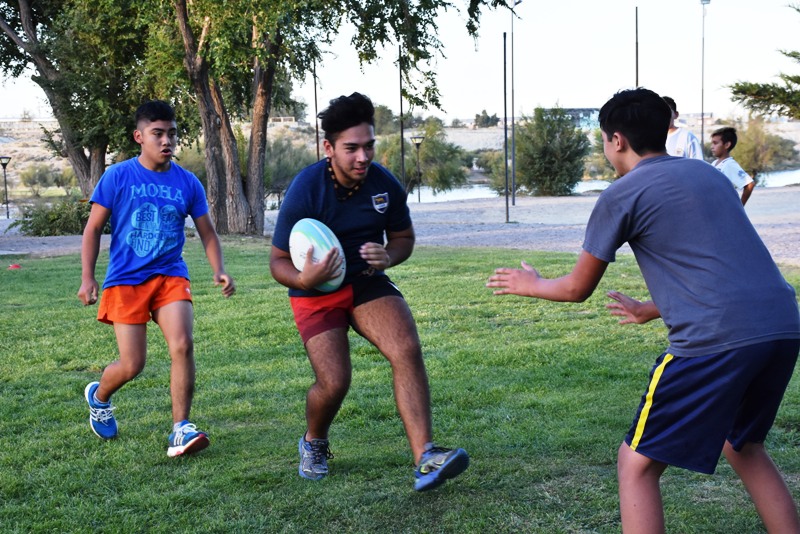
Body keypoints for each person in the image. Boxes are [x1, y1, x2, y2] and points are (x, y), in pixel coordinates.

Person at [487, 88, 800, 533]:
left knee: (636, 464)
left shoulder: (621, 194)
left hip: (714, 341)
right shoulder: (707, 175)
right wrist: (651, 309)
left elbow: (577, 288)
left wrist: (530, 284)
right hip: (782, 325)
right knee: (744, 445)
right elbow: (725, 266)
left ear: (615, 140)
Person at [269, 92, 468, 491]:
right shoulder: (307, 187)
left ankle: (425, 458)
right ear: (329, 148)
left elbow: (403, 237)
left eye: (369, 145)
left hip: (365, 280)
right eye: (351, 148)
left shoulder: (383, 183)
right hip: (315, 291)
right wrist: (305, 280)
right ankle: (314, 441)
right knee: (335, 381)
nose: (363, 157)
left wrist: (388, 256)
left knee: (406, 349)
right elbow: (276, 263)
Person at [78, 100, 235, 457]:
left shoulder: (187, 182)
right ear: (139, 137)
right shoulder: (118, 176)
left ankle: (180, 428)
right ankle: (99, 395)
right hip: (125, 279)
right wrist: (88, 278)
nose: (167, 141)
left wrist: (219, 268)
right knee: (133, 364)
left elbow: (208, 233)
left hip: (170, 276)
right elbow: (93, 229)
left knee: (182, 344)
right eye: (157, 134)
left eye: (172, 134)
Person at [710, 126, 755, 206]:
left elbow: (749, 184)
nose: (712, 147)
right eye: (712, 143)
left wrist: (740, 206)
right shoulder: (714, 163)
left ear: (727, 145)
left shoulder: (729, 164)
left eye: (715, 143)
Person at [662, 96, 704, 160]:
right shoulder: (651, 138)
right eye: (661, 112)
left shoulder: (687, 137)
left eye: (668, 112)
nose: (664, 116)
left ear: (676, 115)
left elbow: (698, 163)